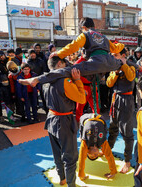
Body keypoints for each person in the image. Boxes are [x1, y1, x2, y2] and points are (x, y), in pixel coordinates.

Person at [18, 17, 125, 87]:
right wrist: (122, 45)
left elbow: (73, 46)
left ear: (83, 27)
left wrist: (59, 54)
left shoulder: (85, 34)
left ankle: (36, 80)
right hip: (110, 62)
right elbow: (115, 48)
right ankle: (130, 65)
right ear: (94, 26)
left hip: (95, 63)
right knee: (125, 63)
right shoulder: (104, 37)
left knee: (65, 71)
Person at [43, 56, 86, 187]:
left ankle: (62, 179)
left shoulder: (45, 80)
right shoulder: (64, 81)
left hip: (51, 118)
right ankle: (71, 184)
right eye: (64, 63)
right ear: (60, 64)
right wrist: (78, 81)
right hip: (64, 121)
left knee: (57, 153)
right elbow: (81, 99)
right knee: (70, 157)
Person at [106, 48, 136, 173]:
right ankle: (108, 149)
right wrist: (116, 73)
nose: (113, 57)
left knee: (126, 131)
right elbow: (109, 83)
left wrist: (123, 65)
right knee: (113, 126)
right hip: (115, 98)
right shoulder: (114, 68)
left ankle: (127, 160)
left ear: (123, 55)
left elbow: (130, 78)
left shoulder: (131, 66)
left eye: (115, 55)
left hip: (126, 99)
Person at [78, 113, 117, 180]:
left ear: (87, 152)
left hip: (84, 118)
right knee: (104, 130)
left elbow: (81, 159)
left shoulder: (85, 144)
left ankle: (80, 135)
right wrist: (113, 172)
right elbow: (109, 155)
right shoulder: (102, 142)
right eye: (96, 155)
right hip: (100, 119)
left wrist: (81, 175)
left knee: (81, 136)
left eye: (92, 156)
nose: (95, 155)